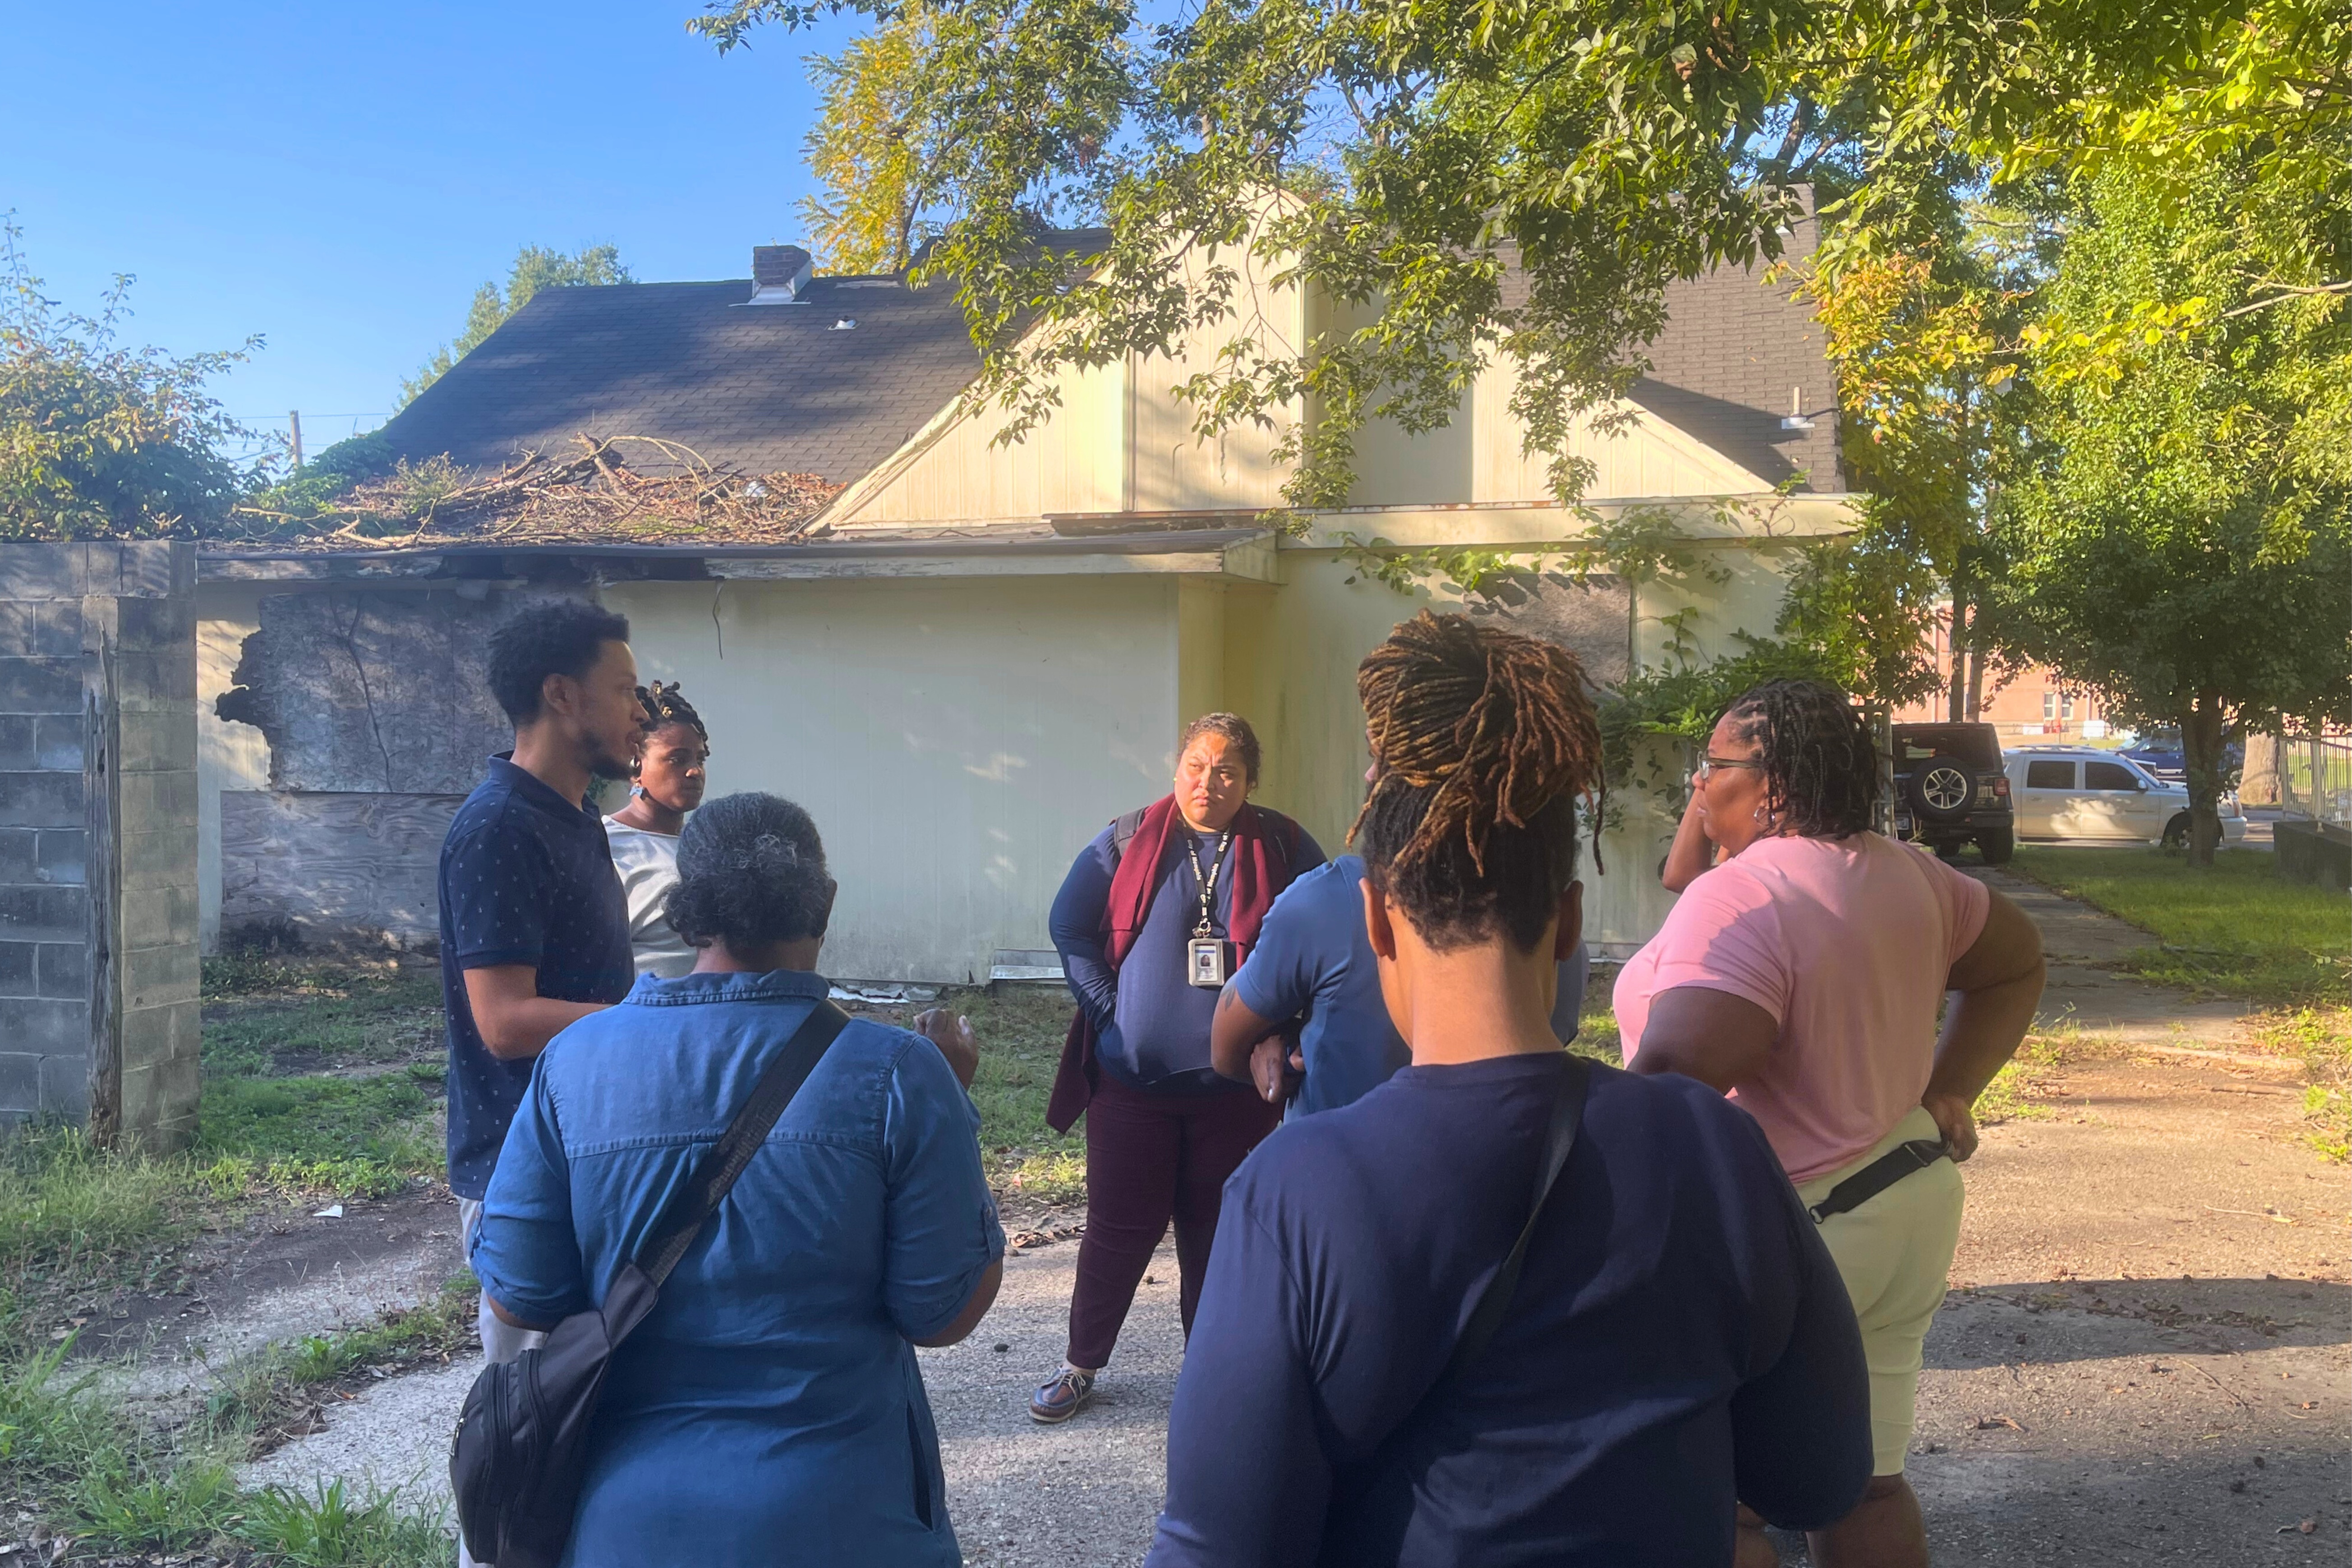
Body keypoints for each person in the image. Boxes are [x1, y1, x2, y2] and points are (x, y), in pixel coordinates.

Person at [1147, 612, 1871, 1568]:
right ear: (1568, 923)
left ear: (1377, 919)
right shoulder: (1712, 1146)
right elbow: (1818, 1478)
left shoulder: (1293, 1194)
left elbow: (1216, 1546)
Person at [471, 792, 1004, 1567]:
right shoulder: (900, 1073)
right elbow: (942, 1312)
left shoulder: (573, 1062)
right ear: (824, 903)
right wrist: (946, 1098)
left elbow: (519, 1296)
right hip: (848, 1521)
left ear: (686, 910)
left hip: (627, 1527)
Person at [1613, 678, 2047, 1568]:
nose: (1697, 781)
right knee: (1865, 1486)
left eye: (1713, 764)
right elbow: (2016, 962)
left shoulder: (1745, 897)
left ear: (1771, 784)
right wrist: (1951, 1087)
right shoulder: (1910, 872)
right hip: (1903, 1203)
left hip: (1792, 1224)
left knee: (1720, 1505)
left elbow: (1672, 1082)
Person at [1031, 712, 1323, 1424]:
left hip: (1235, 1094)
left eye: (1226, 771)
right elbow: (1067, 925)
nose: (1207, 782)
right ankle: (1080, 1365)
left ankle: (1212, 1375)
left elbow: (1323, 945)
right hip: (1131, 1085)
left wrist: (1282, 1032)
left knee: (1218, 1235)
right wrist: (1109, 1014)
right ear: (1177, 766)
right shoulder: (1125, 839)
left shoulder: (1283, 845)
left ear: (1249, 780)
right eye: (1196, 765)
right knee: (1115, 1229)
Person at [603, 681, 710, 978]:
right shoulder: (606, 846)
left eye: (700, 759)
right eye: (678, 759)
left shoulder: (710, 846)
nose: (695, 771)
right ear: (635, 766)